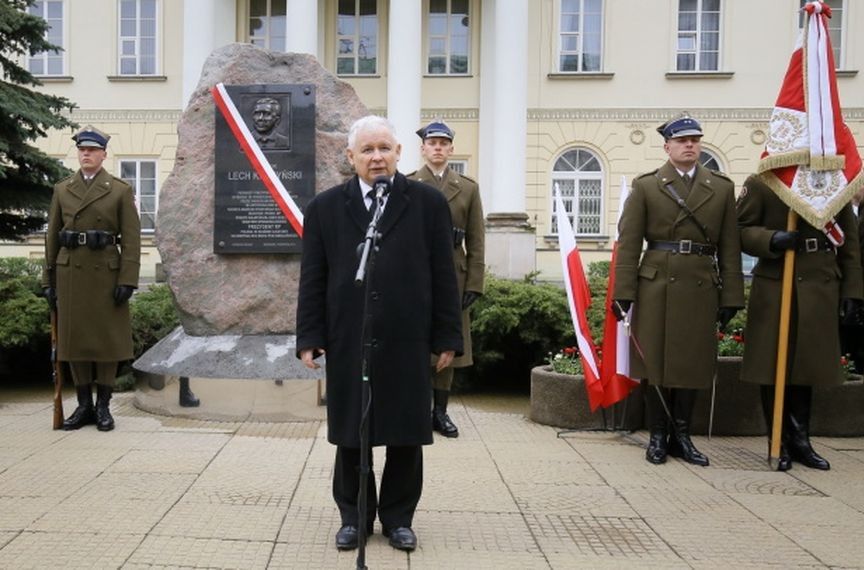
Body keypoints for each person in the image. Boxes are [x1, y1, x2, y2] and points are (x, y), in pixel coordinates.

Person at [296, 115, 462, 552]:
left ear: (399, 153)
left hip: (408, 336)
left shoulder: (427, 204)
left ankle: (398, 518)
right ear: (350, 158)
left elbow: (445, 275)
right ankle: (353, 516)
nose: (377, 157)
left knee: (406, 431)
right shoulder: (325, 208)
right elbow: (313, 278)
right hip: (351, 336)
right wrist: (310, 335)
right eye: (367, 150)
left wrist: (447, 335)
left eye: (384, 148)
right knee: (353, 431)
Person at [612, 113, 744, 466]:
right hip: (656, 284)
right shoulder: (647, 186)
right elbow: (628, 244)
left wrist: (732, 295)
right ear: (667, 146)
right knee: (654, 361)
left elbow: (730, 246)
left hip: (701, 283)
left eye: (695, 140)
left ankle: (682, 436)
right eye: (683, 140)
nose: (690, 145)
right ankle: (657, 434)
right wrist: (623, 293)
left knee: (692, 363)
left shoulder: (721, 187)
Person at [737, 175, 863, 471]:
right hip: (777, 282)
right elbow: (739, 230)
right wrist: (771, 239)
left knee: (807, 362)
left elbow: (850, 242)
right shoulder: (763, 182)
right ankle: (777, 440)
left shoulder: (833, 183)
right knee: (772, 363)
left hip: (820, 281)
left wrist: (853, 292)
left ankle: (800, 439)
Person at [41, 125, 141, 432]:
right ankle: (83, 405)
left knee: (107, 341)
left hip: (106, 274)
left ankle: (103, 407)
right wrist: (48, 280)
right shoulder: (63, 189)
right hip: (71, 272)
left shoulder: (120, 190)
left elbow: (133, 238)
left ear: (103, 155)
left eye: (92, 150)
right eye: (82, 150)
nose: (86, 154)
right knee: (75, 341)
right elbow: (52, 237)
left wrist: (128, 279)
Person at [407, 120, 485, 438]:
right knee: (417, 343)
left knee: (448, 344)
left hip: (454, 275)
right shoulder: (409, 184)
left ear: (451, 149)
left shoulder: (468, 188)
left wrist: (475, 283)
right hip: (416, 275)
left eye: (443, 143)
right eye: (432, 143)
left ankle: (440, 412)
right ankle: (417, 410)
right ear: (423, 148)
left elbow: (477, 239)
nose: (437, 148)